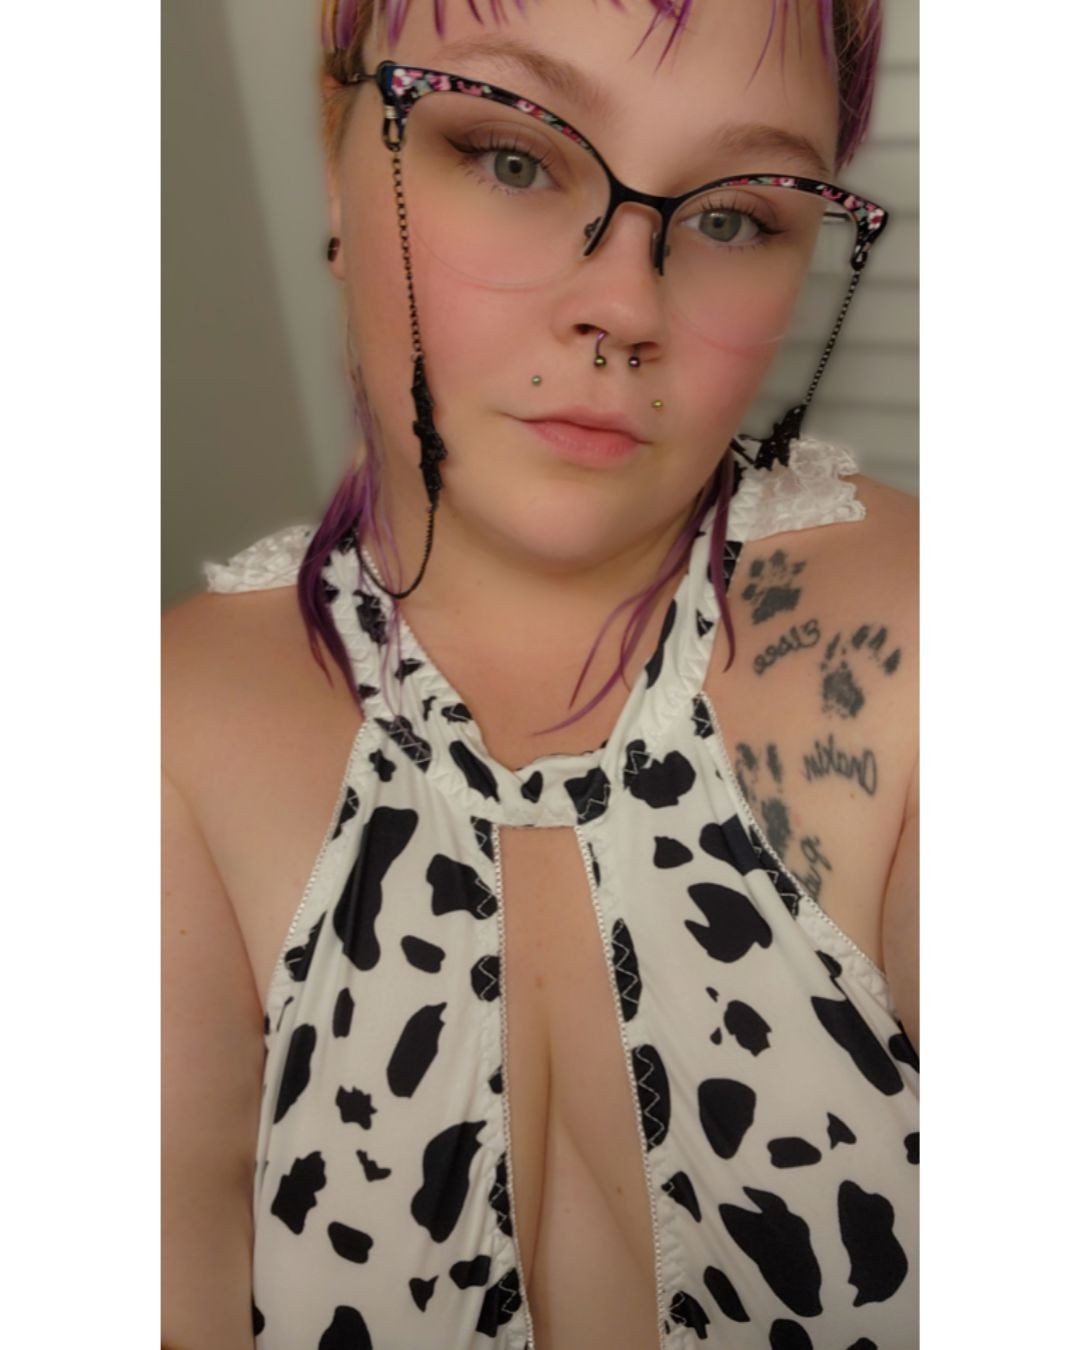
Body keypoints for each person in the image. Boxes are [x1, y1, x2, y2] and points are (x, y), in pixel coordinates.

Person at [162, 0, 918, 1346]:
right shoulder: (156, 741)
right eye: (512, 157)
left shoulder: (938, 636)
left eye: (736, 215)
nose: (625, 307)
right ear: (337, 153)